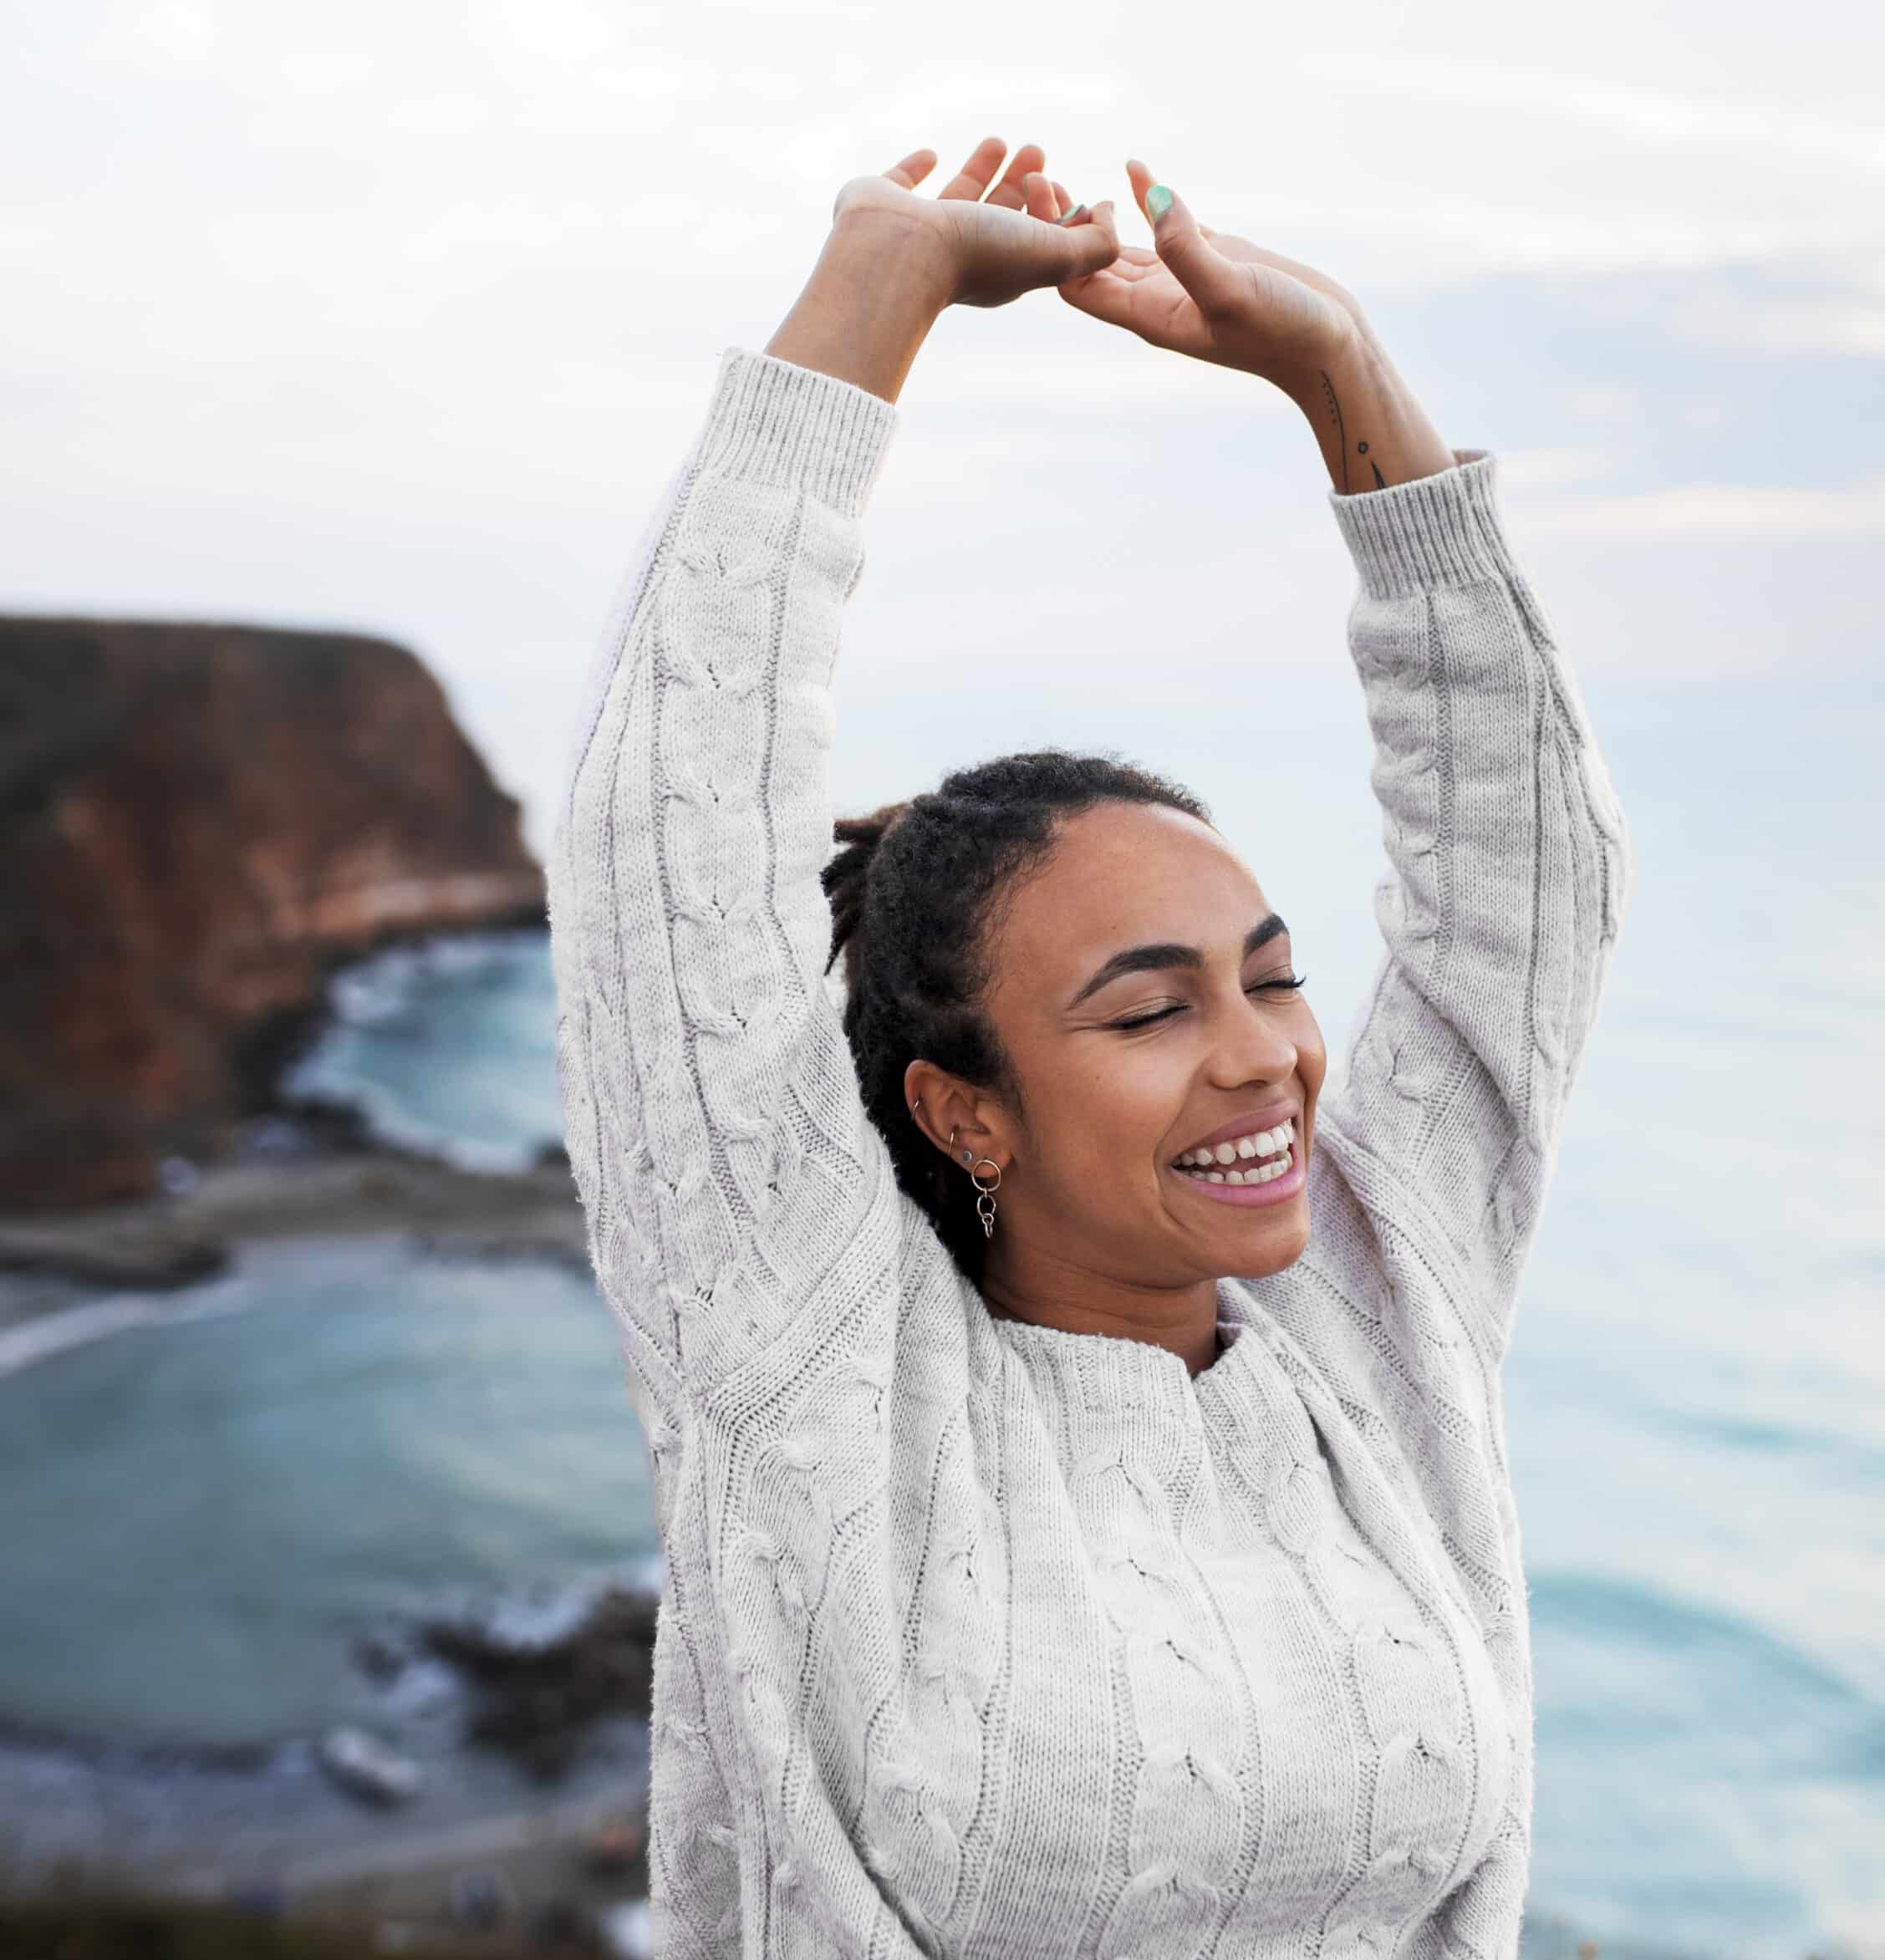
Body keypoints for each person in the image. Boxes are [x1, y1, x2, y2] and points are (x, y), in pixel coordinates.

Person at [548, 133, 1631, 1960]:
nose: (1264, 1060)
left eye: (1269, 980)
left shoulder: (1373, 1339)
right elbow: (659, 849)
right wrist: (872, 290)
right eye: (1146, 1008)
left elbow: (1523, 898)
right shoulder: (810, 1371)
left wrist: (1338, 376)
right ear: (959, 1109)